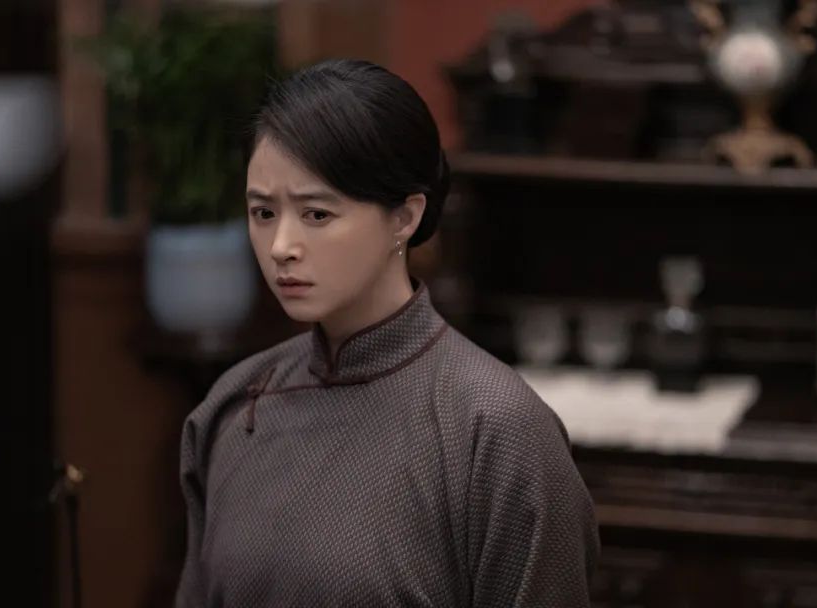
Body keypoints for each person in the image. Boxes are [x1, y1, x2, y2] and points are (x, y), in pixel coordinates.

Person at [175, 58, 600, 608]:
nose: (281, 246)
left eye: (317, 214)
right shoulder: (234, 405)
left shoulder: (496, 429)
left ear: (404, 217)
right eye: (263, 213)